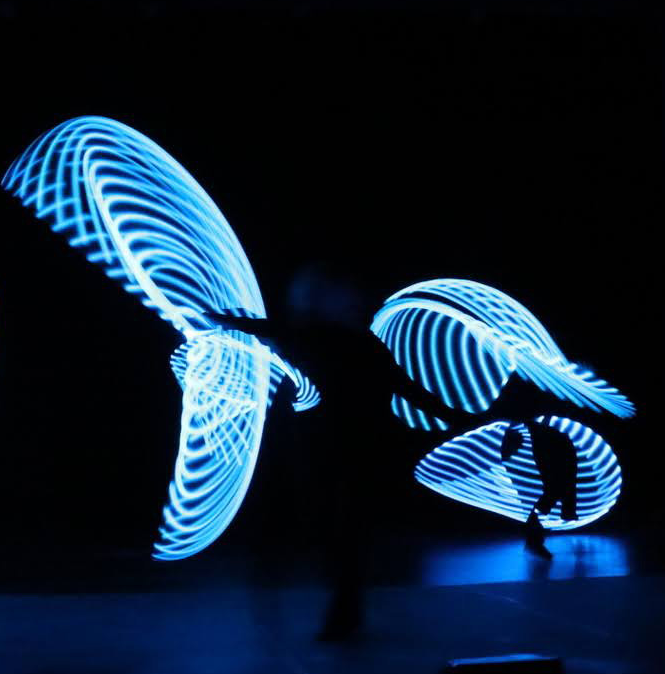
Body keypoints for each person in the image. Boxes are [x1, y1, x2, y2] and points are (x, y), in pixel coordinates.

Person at [205, 264, 509, 640]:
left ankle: (344, 611)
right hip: (340, 449)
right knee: (335, 529)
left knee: (341, 529)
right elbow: (409, 390)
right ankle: (345, 607)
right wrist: (460, 419)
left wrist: (461, 419)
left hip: (347, 449)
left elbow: (406, 388)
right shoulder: (345, 342)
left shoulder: (344, 343)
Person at [501, 418, 580, 560]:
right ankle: (534, 538)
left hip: (554, 452)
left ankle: (534, 537)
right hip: (553, 452)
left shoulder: (544, 434)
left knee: (552, 493)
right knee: (551, 494)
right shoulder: (542, 434)